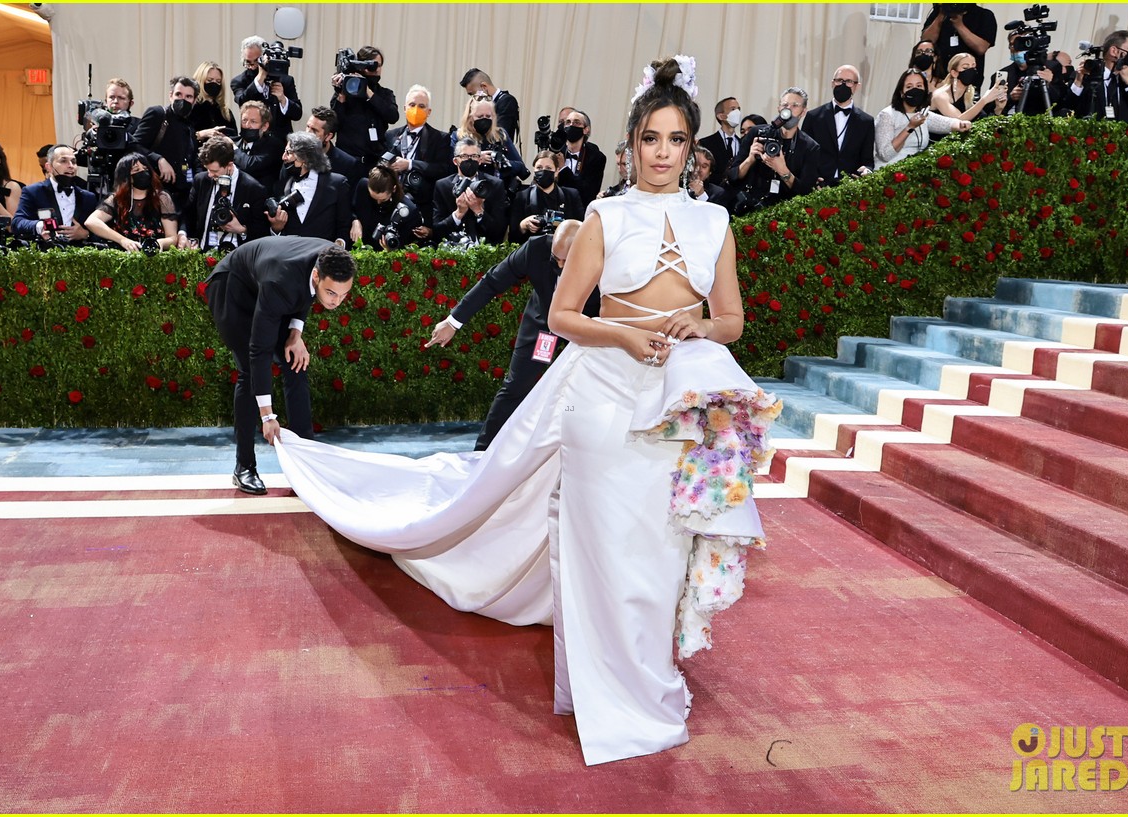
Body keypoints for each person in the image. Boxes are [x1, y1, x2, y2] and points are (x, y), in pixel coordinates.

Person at [272, 54, 779, 768]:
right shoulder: (604, 215)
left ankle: (649, 674)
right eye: (650, 139)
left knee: (660, 553)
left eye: (676, 140)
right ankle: (610, 690)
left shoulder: (716, 222)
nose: (662, 153)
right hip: (604, 397)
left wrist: (700, 328)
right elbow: (567, 316)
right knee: (607, 551)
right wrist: (629, 334)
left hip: (680, 403)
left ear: (692, 147)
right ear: (632, 145)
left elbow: (732, 318)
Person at [429, 219, 599, 450]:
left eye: (566, 261)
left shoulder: (604, 260)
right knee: (517, 385)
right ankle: (482, 454)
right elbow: (492, 282)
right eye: (555, 259)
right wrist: (453, 322)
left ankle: (577, 455)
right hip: (545, 328)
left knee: (582, 392)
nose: (559, 265)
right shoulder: (536, 249)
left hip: (586, 329)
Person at [205, 237, 356, 494]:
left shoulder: (332, 259)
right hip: (233, 288)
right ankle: (244, 467)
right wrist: (268, 416)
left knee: (296, 362)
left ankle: (306, 464)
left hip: (269, 286)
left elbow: (306, 293)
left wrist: (295, 334)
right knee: (249, 371)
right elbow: (259, 350)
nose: (336, 302)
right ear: (318, 275)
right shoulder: (281, 282)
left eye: (343, 294)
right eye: (331, 293)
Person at [729, 87, 820, 211]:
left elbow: (805, 192)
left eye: (795, 106)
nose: (788, 110)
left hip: (785, 213)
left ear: (803, 112)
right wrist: (750, 160)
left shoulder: (810, 147)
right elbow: (733, 176)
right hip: (750, 208)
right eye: (785, 105)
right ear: (779, 108)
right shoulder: (757, 133)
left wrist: (782, 170)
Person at [178, 134, 268, 251]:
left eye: (214, 171)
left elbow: (262, 231)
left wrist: (242, 230)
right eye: (207, 169)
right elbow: (188, 214)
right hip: (201, 255)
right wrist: (183, 234)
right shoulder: (201, 180)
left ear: (229, 165)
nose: (210, 175)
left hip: (236, 259)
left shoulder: (253, 189)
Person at [383, 85, 454, 229]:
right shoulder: (391, 135)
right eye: (412, 105)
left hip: (423, 205)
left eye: (421, 106)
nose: (416, 109)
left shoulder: (440, 138)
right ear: (404, 108)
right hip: (392, 203)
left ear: (429, 112)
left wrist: (410, 164)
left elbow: (443, 169)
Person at [267, 132, 352, 246]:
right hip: (290, 256)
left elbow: (344, 225)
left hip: (321, 256)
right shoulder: (281, 186)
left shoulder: (337, 184)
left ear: (305, 158)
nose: (283, 157)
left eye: (288, 152)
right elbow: (278, 232)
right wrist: (276, 229)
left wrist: (339, 245)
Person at [84, 152, 180, 251]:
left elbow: (172, 237)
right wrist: (122, 240)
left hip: (154, 255)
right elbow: (91, 222)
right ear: (126, 176)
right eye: (136, 170)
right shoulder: (116, 199)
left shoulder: (162, 198)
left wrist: (160, 243)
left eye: (145, 169)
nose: (143, 172)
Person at [874, 69, 970, 169]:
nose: (915, 90)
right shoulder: (887, 115)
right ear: (901, 93)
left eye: (919, 86)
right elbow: (885, 154)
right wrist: (910, 127)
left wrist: (961, 124)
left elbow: (946, 123)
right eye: (909, 87)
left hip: (913, 171)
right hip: (888, 171)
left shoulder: (922, 114)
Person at [802, 64, 876, 186]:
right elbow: (804, 153)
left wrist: (867, 171)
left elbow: (868, 160)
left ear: (857, 86)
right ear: (832, 83)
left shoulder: (866, 121)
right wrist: (811, 177)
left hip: (850, 186)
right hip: (818, 185)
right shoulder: (813, 116)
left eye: (849, 82)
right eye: (839, 80)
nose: (843, 85)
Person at [12, 145, 100, 244]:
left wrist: (85, 234)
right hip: (44, 254)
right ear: (49, 167)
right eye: (63, 161)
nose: (71, 165)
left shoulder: (88, 197)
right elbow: (17, 222)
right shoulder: (33, 191)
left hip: (79, 255)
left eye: (73, 162)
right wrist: (40, 226)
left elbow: (102, 230)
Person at [132, 76, 199, 205]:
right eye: (178, 94)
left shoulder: (189, 126)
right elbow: (134, 145)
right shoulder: (158, 114)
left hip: (180, 196)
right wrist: (159, 159)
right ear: (171, 95)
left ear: (194, 100)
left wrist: (192, 182)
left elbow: (189, 161)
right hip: (153, 192)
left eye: (188, 97)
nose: (182, 100)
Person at [330, 45, 399, 168]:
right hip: (348, 161)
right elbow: (334, 124)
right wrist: (341, 94)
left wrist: (367, 92)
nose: (377, 69)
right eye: (373, 65)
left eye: (379, 65)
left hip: (373, 162)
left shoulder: (385, 94)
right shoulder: (346, 93)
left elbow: (392, 116)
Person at [430, 136, 508, 246]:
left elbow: (499, 231)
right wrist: (458, 213)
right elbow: (437, 232)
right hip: (452, 249)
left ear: (480, 160)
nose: (470, 160)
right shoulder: (442, 186)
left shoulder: (495, 185)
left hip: (485, 250)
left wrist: (479, 211)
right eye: (464, 156)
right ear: (455, 161)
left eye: (474, 156)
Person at [450, 96, 529, 198]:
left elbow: (521, 167)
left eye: (488, 116)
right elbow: (450, 167)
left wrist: (501, 162)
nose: (484, 120)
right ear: (470, 117)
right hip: (467, 192)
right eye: (480, 116)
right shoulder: (458, 136)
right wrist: (475, 158)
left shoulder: (500, 135)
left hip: (496, 192)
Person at [1069, 30, 1128, 122]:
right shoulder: (1086, 76)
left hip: (1121, 135)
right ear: (1114, 51)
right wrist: (1078, 81)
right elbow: (1069, 106)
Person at [231, 35, 303, 137]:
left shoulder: (286, 80)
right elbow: (242, 102)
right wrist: (260, 78)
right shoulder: (239, 81)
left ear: (265, 57)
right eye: (248, 62)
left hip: (280, 143)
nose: (252, 67)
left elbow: (297, 114)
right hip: (253, 140)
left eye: (256, 62)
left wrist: (283, 99)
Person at [509, 150, 583, 243]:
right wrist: (524, 225)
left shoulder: (571, 195)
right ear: (534, 170)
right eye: (539, 168)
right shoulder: (522, 196)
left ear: (556, 171)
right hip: (531, 251)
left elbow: (581, 230)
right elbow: (512, 236)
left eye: (548, 168)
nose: (543, 171)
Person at [920, 3, 997, 92]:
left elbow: (981, 48)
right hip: (939, 80)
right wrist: (941, 15)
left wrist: (959, 25)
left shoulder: (984, 15)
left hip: (968, 81)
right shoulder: (937, 13)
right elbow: (926, 42)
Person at [349, 165, 423, 250]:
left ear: (394, 189)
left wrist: (391, 249)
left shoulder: (408, 210)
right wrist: (355, 220)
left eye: (383, 199)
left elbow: (406, 246)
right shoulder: (362, 186)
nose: (378, 202)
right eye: (373, 197)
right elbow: (350, 209)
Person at [931, 52, 1007, 123]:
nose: (971, 71)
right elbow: (958, 122)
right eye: (966, 68)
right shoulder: (940, 96)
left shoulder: (972, 94)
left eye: (973, 67)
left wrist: (998, 108)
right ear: (954, 73)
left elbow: (982, 124)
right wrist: (984, 100)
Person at [234, 100, 285, 192]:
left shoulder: (273, 146)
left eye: (253, 122)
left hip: (260, 198)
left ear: (264, 126)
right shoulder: (235, 141)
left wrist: (232, 148)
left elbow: (250, 166)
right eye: (244, 120)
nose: (247, 125)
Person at [460, 68, 521, 145]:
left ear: (484, 86)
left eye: (473, 94)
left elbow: (500, 135)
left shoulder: (507, 102)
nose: (473, 98)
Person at [556, 109, 606, 203]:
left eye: (576, 123)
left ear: (586, 130)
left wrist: (563, 169)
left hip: (580, 209)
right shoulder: (556, 152)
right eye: (568, 122)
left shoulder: (596, 158)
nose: (571, 125)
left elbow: (588, 192)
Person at [698, 97, 743, 185]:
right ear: (721, 116)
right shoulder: (706, 143)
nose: (737, 112)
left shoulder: (743, 144)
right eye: (733, 109)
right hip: (713, 194)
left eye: (739, 109)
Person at [191, 61, 239, 143]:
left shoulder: (225, 112)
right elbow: (181, 138)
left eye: (218, 81)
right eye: (209, 80)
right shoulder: (190, 109)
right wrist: (202, 134)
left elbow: (235, 138)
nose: (214, 84)